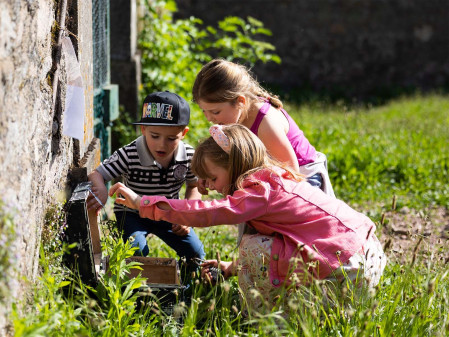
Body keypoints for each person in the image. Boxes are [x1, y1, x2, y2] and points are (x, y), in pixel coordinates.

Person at [108, 124, 386, 315]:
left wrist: (143, 203)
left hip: (347, 266)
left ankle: (265, 318)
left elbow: (208, 212)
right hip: (363, 253)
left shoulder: (258, 192)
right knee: (261, 246)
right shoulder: (271, 182)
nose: (212, 187)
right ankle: (319, 309)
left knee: (252, 246)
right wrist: (232, 268)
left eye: (214, 178)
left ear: (236, 166)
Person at [87, 91, 205, 282]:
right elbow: (97, 173)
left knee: (196, 252)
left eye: (171, 138)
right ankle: (139, 289)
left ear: (183, 133)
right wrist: (101, 190)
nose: (162, 145)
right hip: (133, 215)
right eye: (155, 136)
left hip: (168, 213)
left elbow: (194, 185)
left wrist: (187, 215)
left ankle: (187, 289)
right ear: (143, 129)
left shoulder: (189, 156)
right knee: (137, 251)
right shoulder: (129, 154)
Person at [192, 59, 334, 196]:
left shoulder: (266, 124)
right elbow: (227, 159)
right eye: (204, 111)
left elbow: (291, 175)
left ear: (240, 101)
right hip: (270, 177)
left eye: (215, 112)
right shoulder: (232, 119)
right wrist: (209, 173)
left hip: (304, 178)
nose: (209, 118)